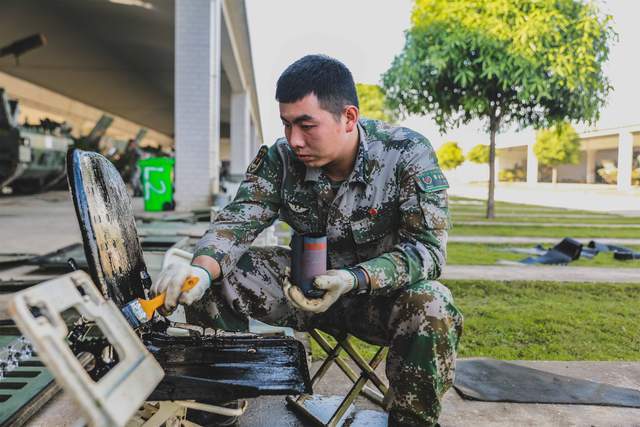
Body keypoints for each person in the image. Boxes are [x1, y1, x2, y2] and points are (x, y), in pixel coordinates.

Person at [151, 54, 463, 426]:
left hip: (376, 300)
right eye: (286, 125)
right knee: (219, 275)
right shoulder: (282, 159)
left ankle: (411, 422)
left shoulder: (406, 154)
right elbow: (238, 220)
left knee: (434, 303)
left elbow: (426, 250)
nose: (294, 140)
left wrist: (355, 278)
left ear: (348, 118)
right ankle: (219, 408)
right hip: (300, 290)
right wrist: (200, 270)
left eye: (306, 125)